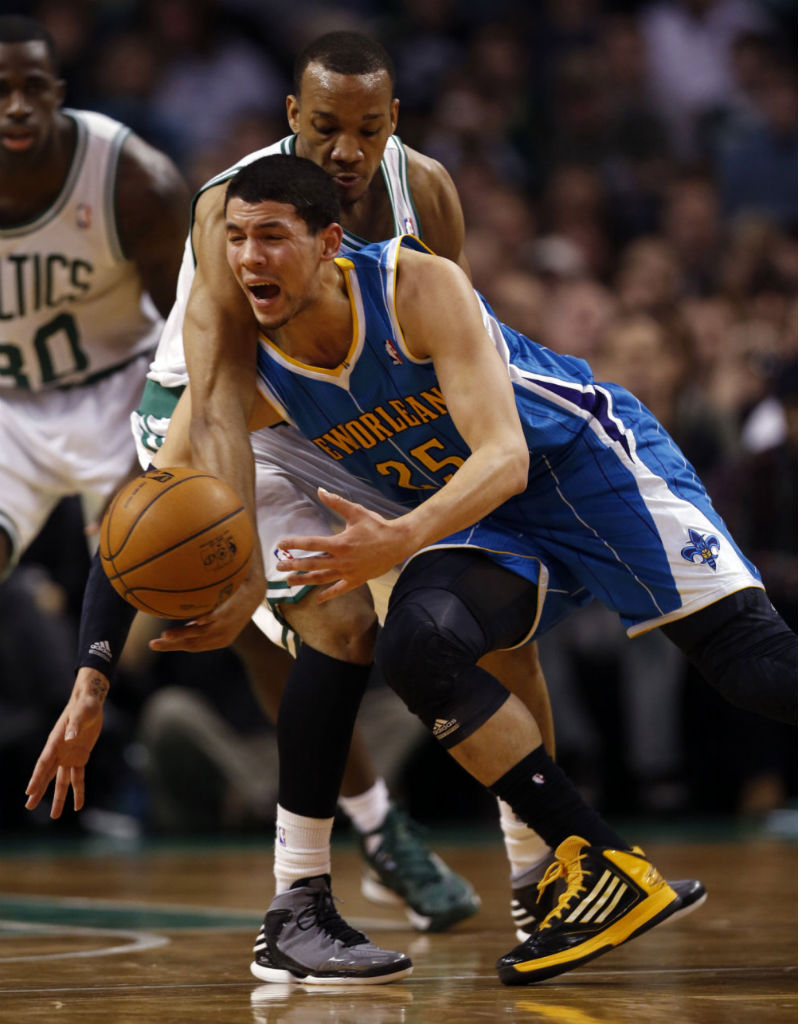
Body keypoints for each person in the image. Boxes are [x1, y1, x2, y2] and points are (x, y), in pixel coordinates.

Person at [178, 153, 793, 984]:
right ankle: (601, 865)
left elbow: (504, 456)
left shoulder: (414, 286)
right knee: (416, 647)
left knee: (751, 669)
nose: (248, 258)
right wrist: (146, 635)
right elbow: (178, 472)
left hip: (581, 466)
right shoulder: (237, 340)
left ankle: (568, 865)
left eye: (271, 237)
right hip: (484, 515)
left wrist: (399, 542)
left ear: (327, 242)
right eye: (235, 238)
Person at [0, 18, 187, 587]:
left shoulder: (133, 183)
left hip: (123, 394)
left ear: (59, 92)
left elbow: (194, 330)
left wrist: (153, 459)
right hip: (8, 408)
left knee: (194, 594)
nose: (16, 107)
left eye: (33, 87)